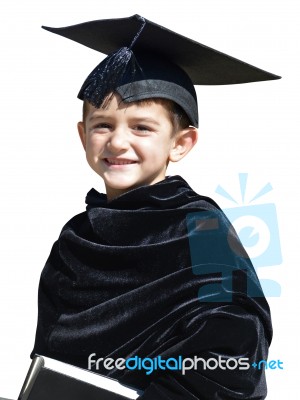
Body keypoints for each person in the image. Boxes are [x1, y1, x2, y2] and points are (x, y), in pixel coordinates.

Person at [31, 14, 280, 399]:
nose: (117, 142)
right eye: (102, 125)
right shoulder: (76, 239)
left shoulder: (201, 228)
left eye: (141, 127)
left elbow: (236, 349)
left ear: (181, 143)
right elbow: (49, 351)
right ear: (83, 136)